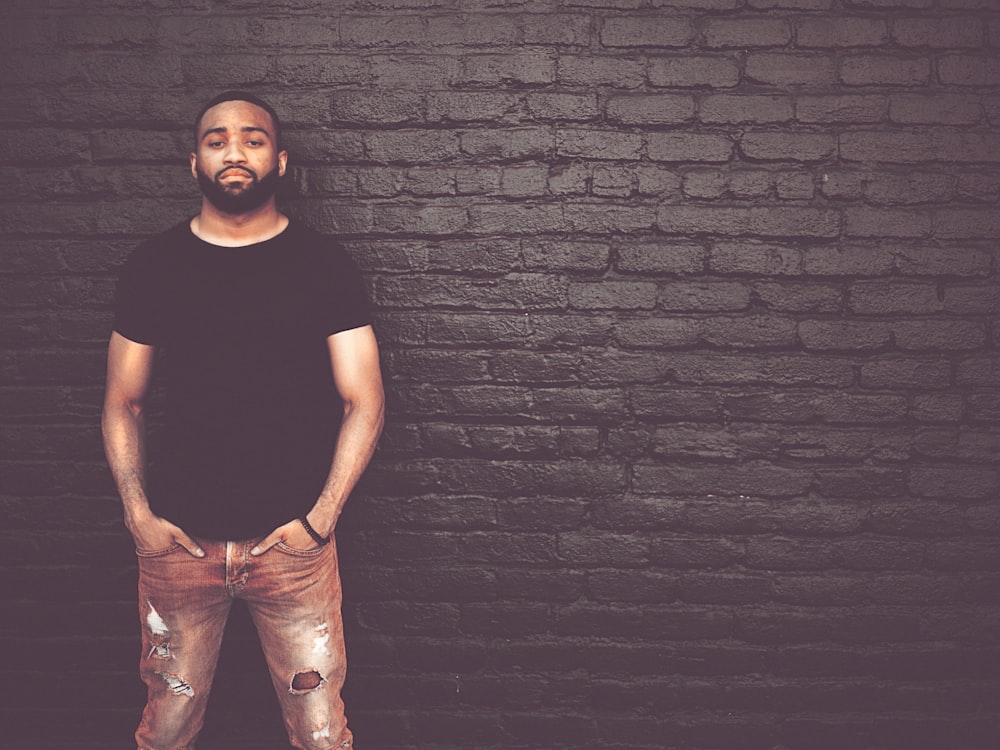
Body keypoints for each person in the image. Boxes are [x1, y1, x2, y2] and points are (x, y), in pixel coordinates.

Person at [102, 90, 384, 750]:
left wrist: (321, 519)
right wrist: (138, 516)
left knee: (320, 733)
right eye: (217, 139)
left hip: (293, 555)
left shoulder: (323, 265)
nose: (234, 150)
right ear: (193, 162)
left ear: (280, 161)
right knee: (165, 729)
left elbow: (364, 400)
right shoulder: (154, 265)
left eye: (253, 139)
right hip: (179, 550)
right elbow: (123, 401)